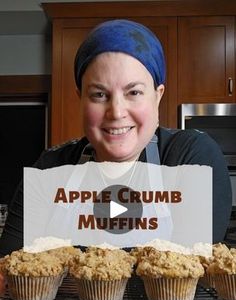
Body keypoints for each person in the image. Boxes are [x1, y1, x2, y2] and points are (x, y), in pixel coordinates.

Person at [0, 19, 232, 259]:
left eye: (134, 92)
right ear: (81, 98)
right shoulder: (51, 168)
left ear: (157, 95)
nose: (117, 112)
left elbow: (184, 277)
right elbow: (11, 272)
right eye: (99, 94)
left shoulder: (191, 158)